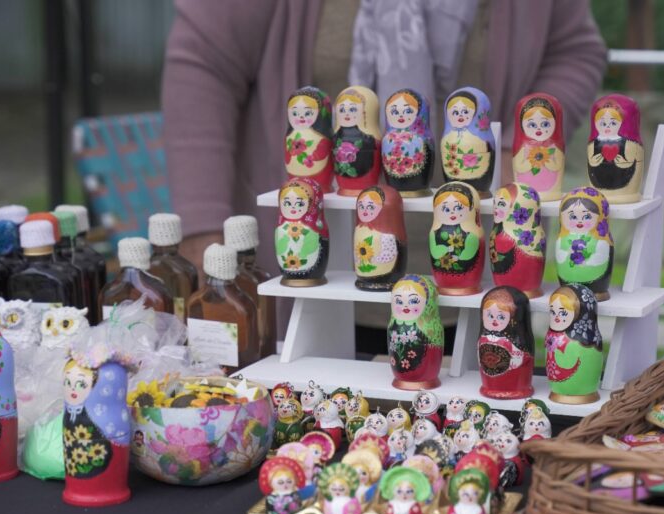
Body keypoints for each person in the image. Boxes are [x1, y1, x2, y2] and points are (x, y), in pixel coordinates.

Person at [162, 0, 607, 336]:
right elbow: (203, 63)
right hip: (304, 280)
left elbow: (575, 51)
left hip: (475, 286)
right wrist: (204, 233)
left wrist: (520, 146)